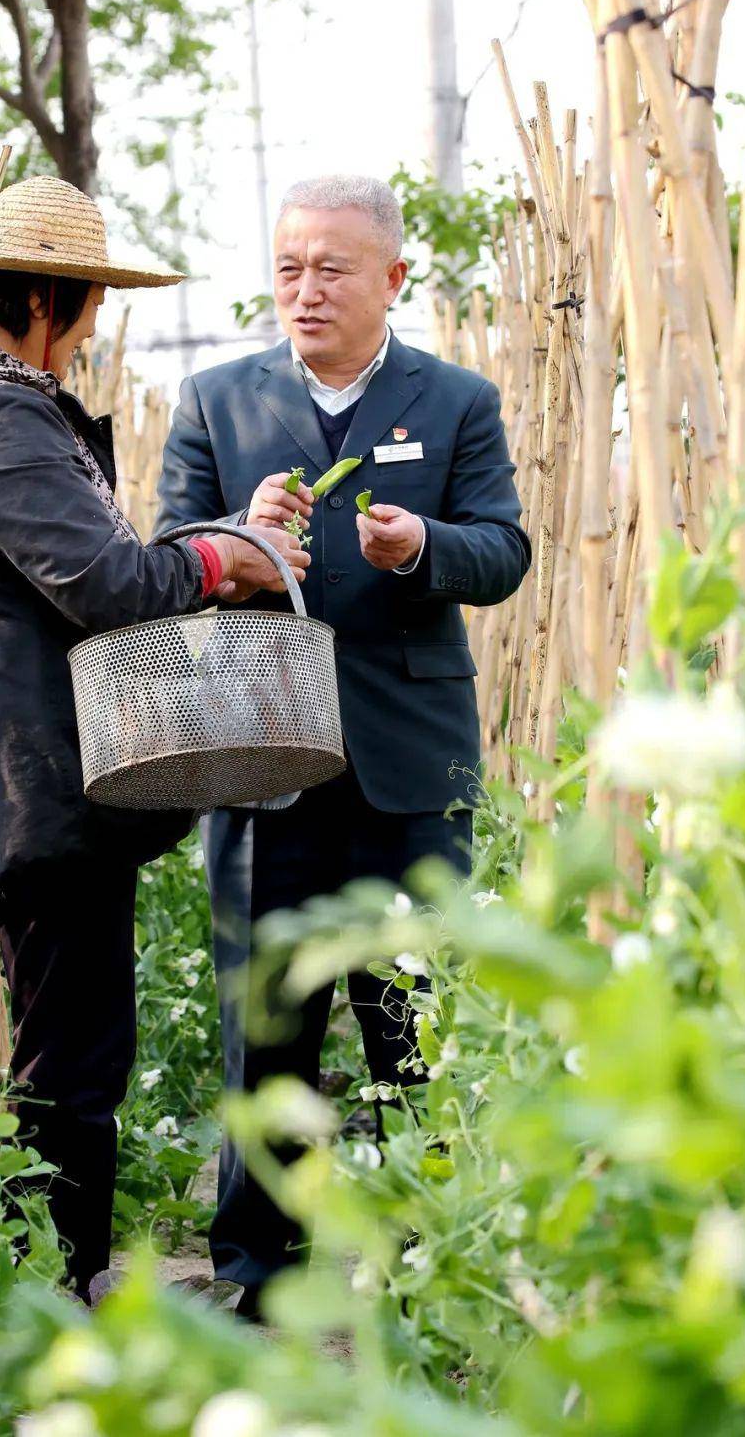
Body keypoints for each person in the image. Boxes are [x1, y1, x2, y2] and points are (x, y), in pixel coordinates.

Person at [0, 175, 309, 1301]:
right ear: (39, 297)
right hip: (38, 787)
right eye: (81, 309)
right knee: (70, 1064)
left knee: (68, 1047)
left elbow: (87, 567)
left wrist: (228, 536)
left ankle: (54, 1284)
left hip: (32, 778)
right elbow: (112, 583)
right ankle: (55, 1296)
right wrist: (230, 561)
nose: (85, 336)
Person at [156, 174, 531, 1317]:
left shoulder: (455, 399)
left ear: (392, 279)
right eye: (288, 267)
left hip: (409, 768)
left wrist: (423, 544)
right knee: (263, 1025)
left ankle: (432, 1268)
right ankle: (260, 1281)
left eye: (332, 267)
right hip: (262, 755)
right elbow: (166, 557)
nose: (305, 289)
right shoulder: (217, 401)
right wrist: (239, 536)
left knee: (412, 1025)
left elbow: (505, 551)